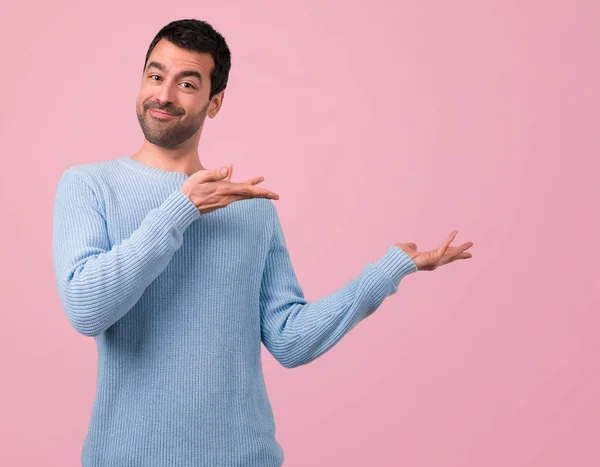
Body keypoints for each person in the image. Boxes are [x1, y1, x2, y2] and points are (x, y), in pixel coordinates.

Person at [52, 18, 473, 467]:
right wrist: (182, 208)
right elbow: (87, 308)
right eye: (155, 76)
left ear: (214, 103)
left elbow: (290, 339)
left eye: (187, 83)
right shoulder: (90, 186)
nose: (164, 95)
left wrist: (387, 273)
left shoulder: (251, 209)